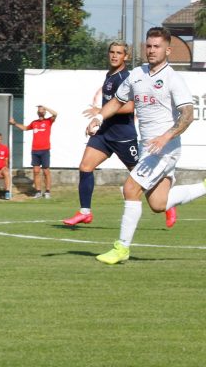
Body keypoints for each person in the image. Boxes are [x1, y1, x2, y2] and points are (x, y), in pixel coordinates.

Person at [87, 27, 206, 265]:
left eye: (157, 46)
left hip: (165, 149)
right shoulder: (137, 74)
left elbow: (187, 115)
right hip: (147, 148)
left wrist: (166, 136)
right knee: (158, 204)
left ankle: (121, 248)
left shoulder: (173, 78)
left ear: (168, 50)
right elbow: (117, 101)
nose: (152, 50)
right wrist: (99, 117)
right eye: (149, 46)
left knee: (130, 189)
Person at [62, 41, 178, 228]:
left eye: (119, 53)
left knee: (141, 178)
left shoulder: (126, 77)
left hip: (123, 136)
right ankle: (85, 212)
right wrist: (98, 120)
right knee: (85, 166)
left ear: (126, 57)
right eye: (112, 52)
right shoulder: (110, 75)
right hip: (105, 134)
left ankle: (168, 203)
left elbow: (131, 106)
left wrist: (100, 112)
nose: (115, 55)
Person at [9, 105, 58, 199]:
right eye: (39, 110)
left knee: (46, 171)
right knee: (36, 171)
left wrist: (45, 107)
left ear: (45, 112)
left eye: (42, 110)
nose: (40, 111)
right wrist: (14, 123)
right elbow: (25, 128)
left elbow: (55, 114)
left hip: (45, 150)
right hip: (35, 150)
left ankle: (47, 192)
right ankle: (38, 192)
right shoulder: (34, 123)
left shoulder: (48, 121)